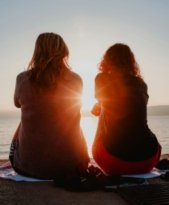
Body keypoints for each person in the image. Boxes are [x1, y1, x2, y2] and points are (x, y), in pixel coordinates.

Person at [9, 32, 89, 179]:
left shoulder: (22, 78)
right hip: (71, 168)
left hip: (28, 169)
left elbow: (17, 103)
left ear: (37, 52)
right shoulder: (76, 79)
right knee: (71, 120)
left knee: (25, 120)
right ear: (64, 51)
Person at [91, 43, 161, 175]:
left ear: (106, 61)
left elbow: (107, 100)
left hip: (114, 162)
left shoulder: (102, 78)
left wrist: (100, 105)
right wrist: (101, 104)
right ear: (131, 62)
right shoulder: (141, 84)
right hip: (149, 160)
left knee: (104, 111)